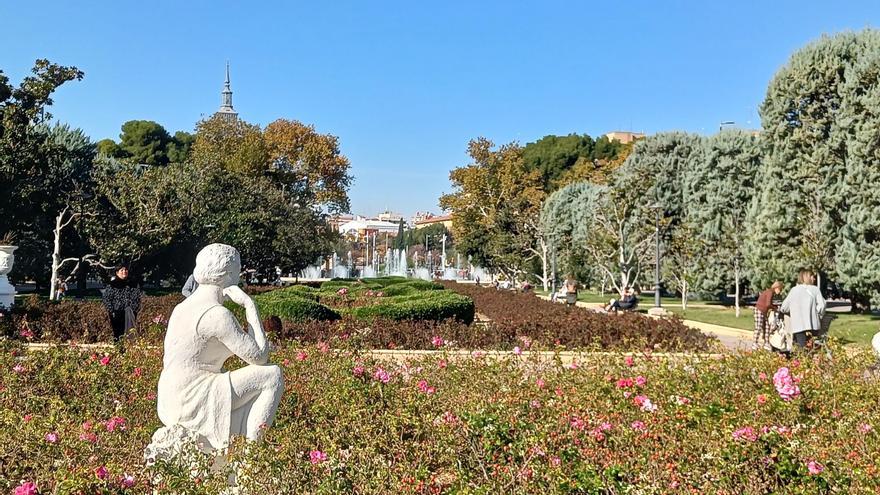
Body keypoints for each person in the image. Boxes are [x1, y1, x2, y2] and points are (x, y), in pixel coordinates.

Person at [155, 243, 282, 450]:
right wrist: (250, 306)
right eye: (238, 271)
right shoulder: (216, 315)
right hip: (191, 399)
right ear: (230, 274)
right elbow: (260, 357)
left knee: (233, 375)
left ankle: (237, 447)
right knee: (272, 375)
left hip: (169, 398)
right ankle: (251, 456)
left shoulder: (181, 308)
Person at [780, 269, 826, 350]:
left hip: (798, 325)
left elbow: (784, 307)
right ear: (806, 277)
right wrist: (816, 314)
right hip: (813, 325)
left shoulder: (794, 290)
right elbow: (822, 305)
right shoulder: (815, 290)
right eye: (812, 276)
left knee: (800, 349)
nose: (814, 279)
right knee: (812, 348)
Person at [102, 264, 142, 344]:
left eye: (125, 270)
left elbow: (137, 297)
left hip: (130, 312)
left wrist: (134, 309)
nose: (124, 272)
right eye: (122, 270)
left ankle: (130, 351)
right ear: (117, 272)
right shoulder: (112, 285)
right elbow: (107, 298)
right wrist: (112, 310)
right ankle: (119, 351)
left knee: (131, 332)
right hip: (117, 312)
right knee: (118, 334)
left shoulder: (132, 284)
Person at [754, 281, 783, 350]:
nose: (780, 291)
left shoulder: (771, 292)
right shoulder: (770, 292)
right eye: (780, 289)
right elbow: (768, 304)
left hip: (764, 312)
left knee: (767, 327)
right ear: (777, 288)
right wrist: (775, 308)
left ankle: (766, 343)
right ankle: (755, 343)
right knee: (758, 327)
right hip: (759, 310)